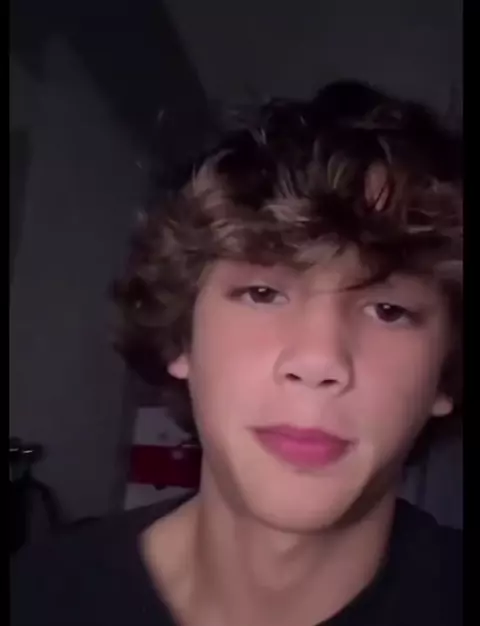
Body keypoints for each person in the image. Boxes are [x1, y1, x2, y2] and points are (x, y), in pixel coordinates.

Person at [11, 80, 462, 626]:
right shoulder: (35, 597)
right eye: (262, 293)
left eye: (388, 310)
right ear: (182, 336)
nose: (318, 361)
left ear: (445, 374)